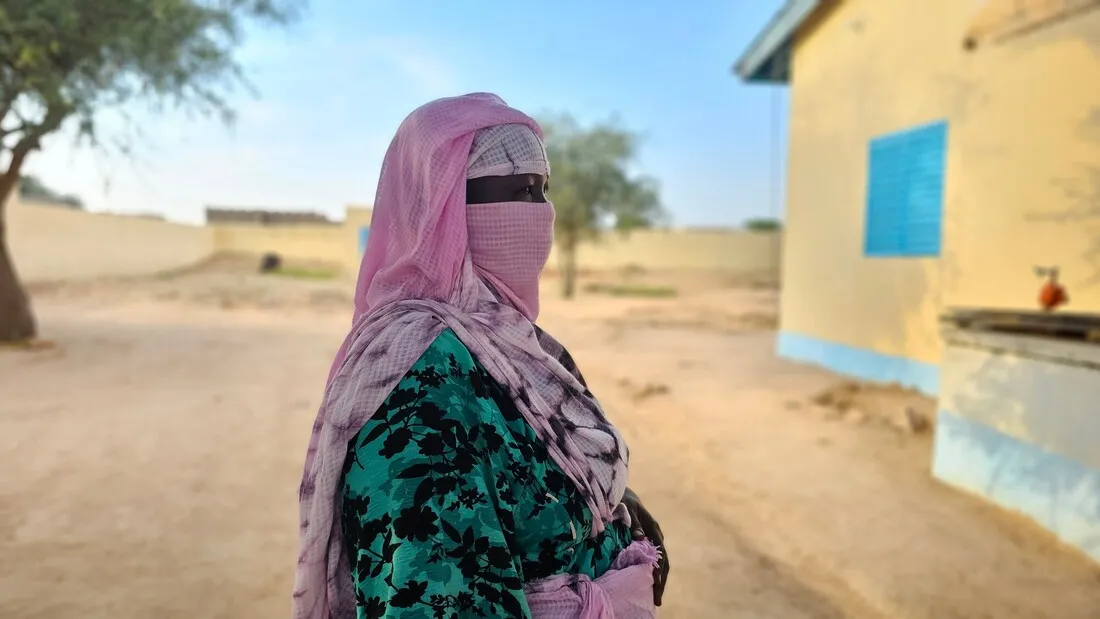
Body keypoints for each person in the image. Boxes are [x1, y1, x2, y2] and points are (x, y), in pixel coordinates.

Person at [293, 93, 669, 619]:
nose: (540, 215)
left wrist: (606, 512)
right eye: (518, 191)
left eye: (543, 191)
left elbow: (530, 470)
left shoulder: (505, 337)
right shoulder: (415, 386)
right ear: (443, 209)